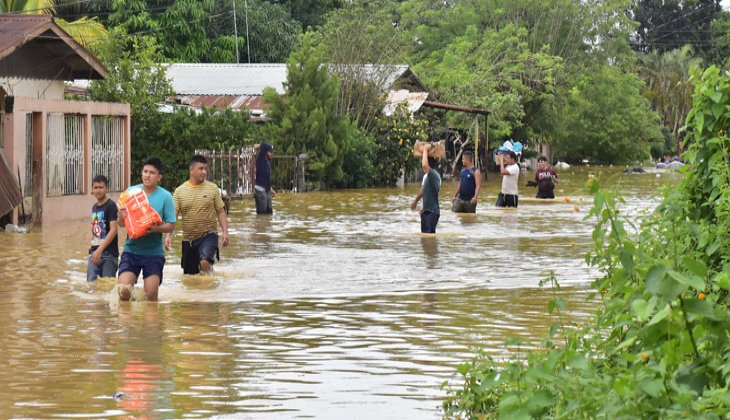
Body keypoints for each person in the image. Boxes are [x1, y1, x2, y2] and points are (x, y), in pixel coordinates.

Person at [117, 156, 176, 301]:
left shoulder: (166, 197)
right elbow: (121, 224)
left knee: (151, 296)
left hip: (153, 253)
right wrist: (120, 216)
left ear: (159, 177)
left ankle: (148, 321)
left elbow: (171, 225)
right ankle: (129, 320)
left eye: (152, 172)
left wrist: (157, 229)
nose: (147, 175)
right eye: (145, 171)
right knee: (123, 292)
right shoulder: (131, 192)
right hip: (131, 250)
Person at [167, 154, 229, 275]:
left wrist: (225, 232)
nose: (204, 172)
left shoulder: (212, 188)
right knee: (190, 278)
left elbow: (221, 211)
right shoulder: (179, 191)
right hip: (188, 240)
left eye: (205, 169)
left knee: (204, 261)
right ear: (191, 170)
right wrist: (169, 235)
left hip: (208, 235)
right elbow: (174, 214)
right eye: (201, 169)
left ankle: (209, 284)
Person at [87, 174, 119, 281]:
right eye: (95, 188)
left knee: (107, 286)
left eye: (101, 187)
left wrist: (100, 250)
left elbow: (114, 230)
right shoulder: (94, 207)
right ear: (92, 189)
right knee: (91, 284)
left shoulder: (111, 205)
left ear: (106, 188)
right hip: (94, 253)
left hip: (109, 254)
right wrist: (95, 251)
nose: (98, 190)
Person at [411, 144, 441, 233]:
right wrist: (417, 202)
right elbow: (423, 191)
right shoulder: (427, 176)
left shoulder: (435, 175)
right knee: (425, 240)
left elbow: (424, 166)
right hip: (426, 211)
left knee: (429, 240)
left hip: (432, 212)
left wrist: (425, 150)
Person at [254, 143, 277, 215]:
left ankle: (267, 226)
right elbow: (259, 146)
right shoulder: (260, 159)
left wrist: (270, 189)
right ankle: (261, 225)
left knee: (269, 213)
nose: (272, 154)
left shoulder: (267, 162)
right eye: (270, 152)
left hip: (267, 190)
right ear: (265, 152)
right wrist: (267, 146)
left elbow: (266, 178)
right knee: (262, 214)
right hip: (260, 190)